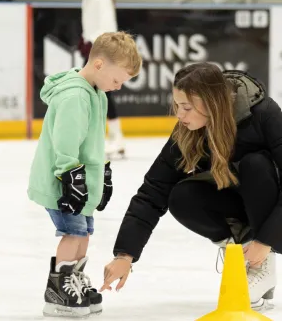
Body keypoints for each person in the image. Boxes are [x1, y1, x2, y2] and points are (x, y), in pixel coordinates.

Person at [100, 62, 282, 313]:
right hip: (241, 205)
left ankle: (262, 260)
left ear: (212, 104)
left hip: (276, 213)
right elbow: (153, 190)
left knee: (256, 165)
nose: (179, 115)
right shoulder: (187, 132)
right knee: (182, 196)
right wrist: (125, 255)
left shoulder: (263, 113)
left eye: (186, 107)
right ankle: (245, 257)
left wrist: (266, 240)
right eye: (176, 106)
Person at [27, 31, 142, 318]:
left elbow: (93, 140)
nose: (117, 87)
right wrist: (71, 176)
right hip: (62, 182)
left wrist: (101, 171)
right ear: (100, 64)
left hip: (82, 181)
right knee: (72, 233)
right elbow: (65, 141)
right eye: (117, 80)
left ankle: (73, 280)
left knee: (85, 233)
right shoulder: (75, 94)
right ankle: (57, 289)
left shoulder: (96, 92)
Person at [75, 0, 125, 158]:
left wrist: (93, 45)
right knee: (96, 93)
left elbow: (107, 25)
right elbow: (90, 24)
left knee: (99, 93)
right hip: (95, 50)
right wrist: (84, 40)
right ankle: (114, 139)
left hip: (103, 52)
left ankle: (114, 139)